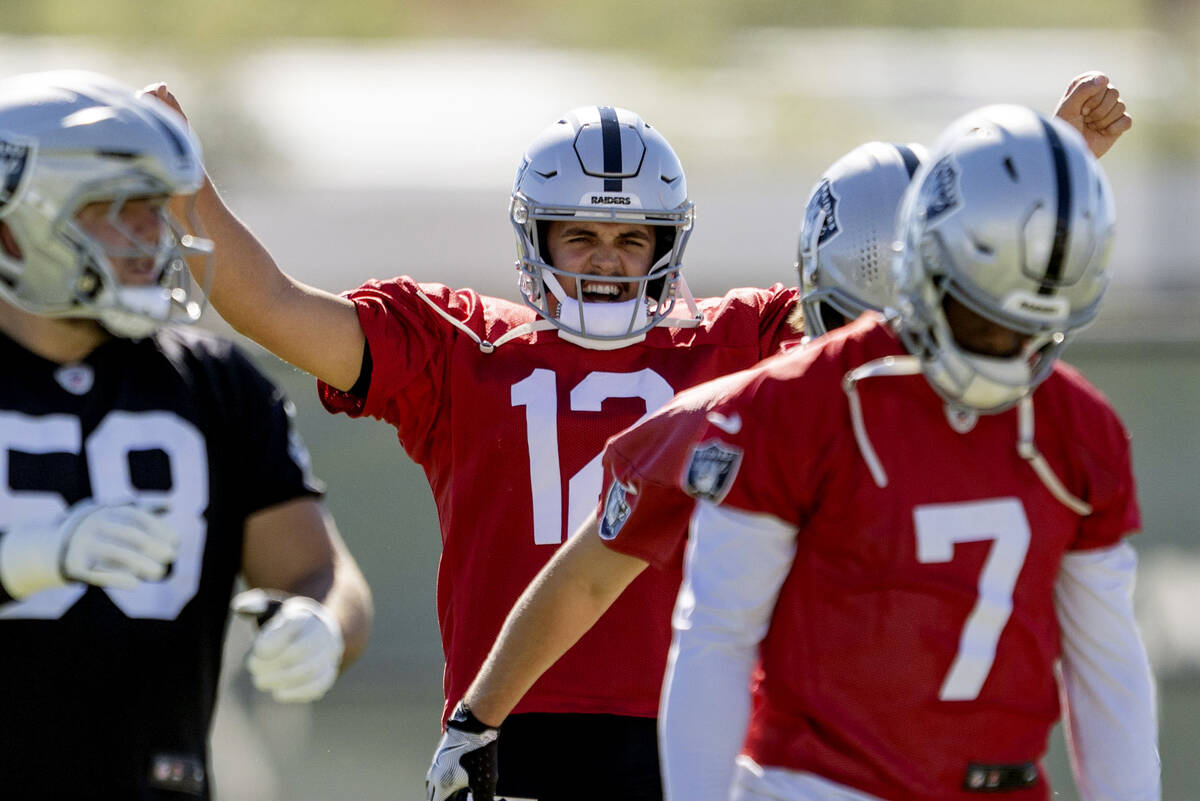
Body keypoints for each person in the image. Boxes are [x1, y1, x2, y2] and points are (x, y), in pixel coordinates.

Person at [424, 75, 1133, 801]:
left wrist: (477, 718)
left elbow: (606, 582)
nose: (914, 349)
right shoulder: (1041, 420)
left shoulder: (752, 412)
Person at [648, 104, 1157, 800]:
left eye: (1028, 330)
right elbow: (714, 639)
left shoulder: (1078, 426)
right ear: (921, 262)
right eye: (982, 315)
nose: (1005, 354)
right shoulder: (796, 405)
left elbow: (1110, 675)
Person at [0, 70, 372, 800]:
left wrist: (322, 625)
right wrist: (23, 560)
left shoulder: (211, 382)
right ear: (20, 220)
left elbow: (318, 569)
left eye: (154, 208)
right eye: (117, 211)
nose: (153, 235)